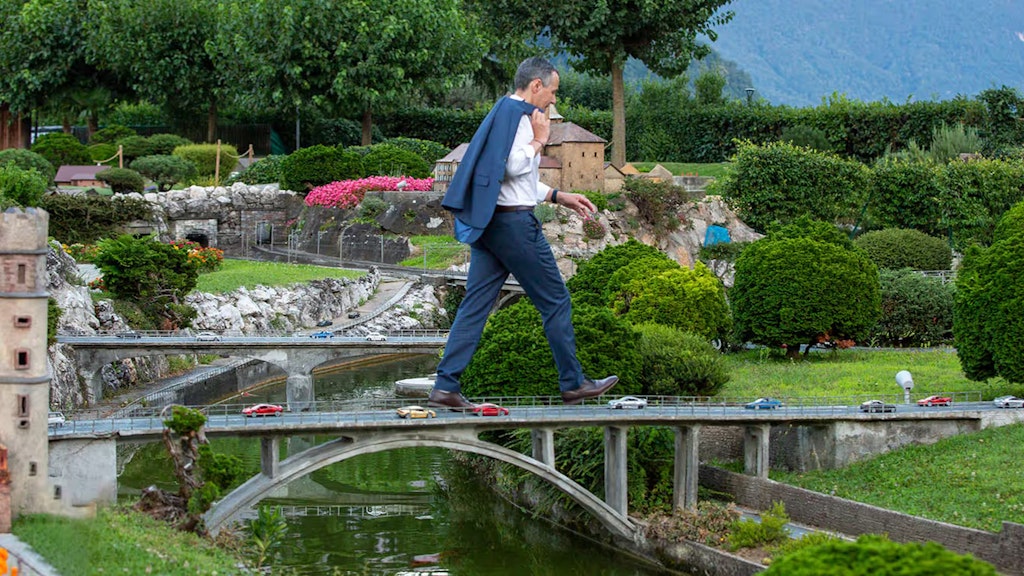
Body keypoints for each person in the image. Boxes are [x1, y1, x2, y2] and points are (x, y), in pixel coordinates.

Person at [428, 56, 618, 410]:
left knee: (476, 305)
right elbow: (514, 166)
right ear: (535, 86)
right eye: (552, 91)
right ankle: (573, 383)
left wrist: (557, 196)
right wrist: (541, 141)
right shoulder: (523, 120)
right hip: (515, 227)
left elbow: (513, 181)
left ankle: (445, 386)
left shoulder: (501, 111)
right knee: (556, 300)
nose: (553, 100)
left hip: (491, 224)